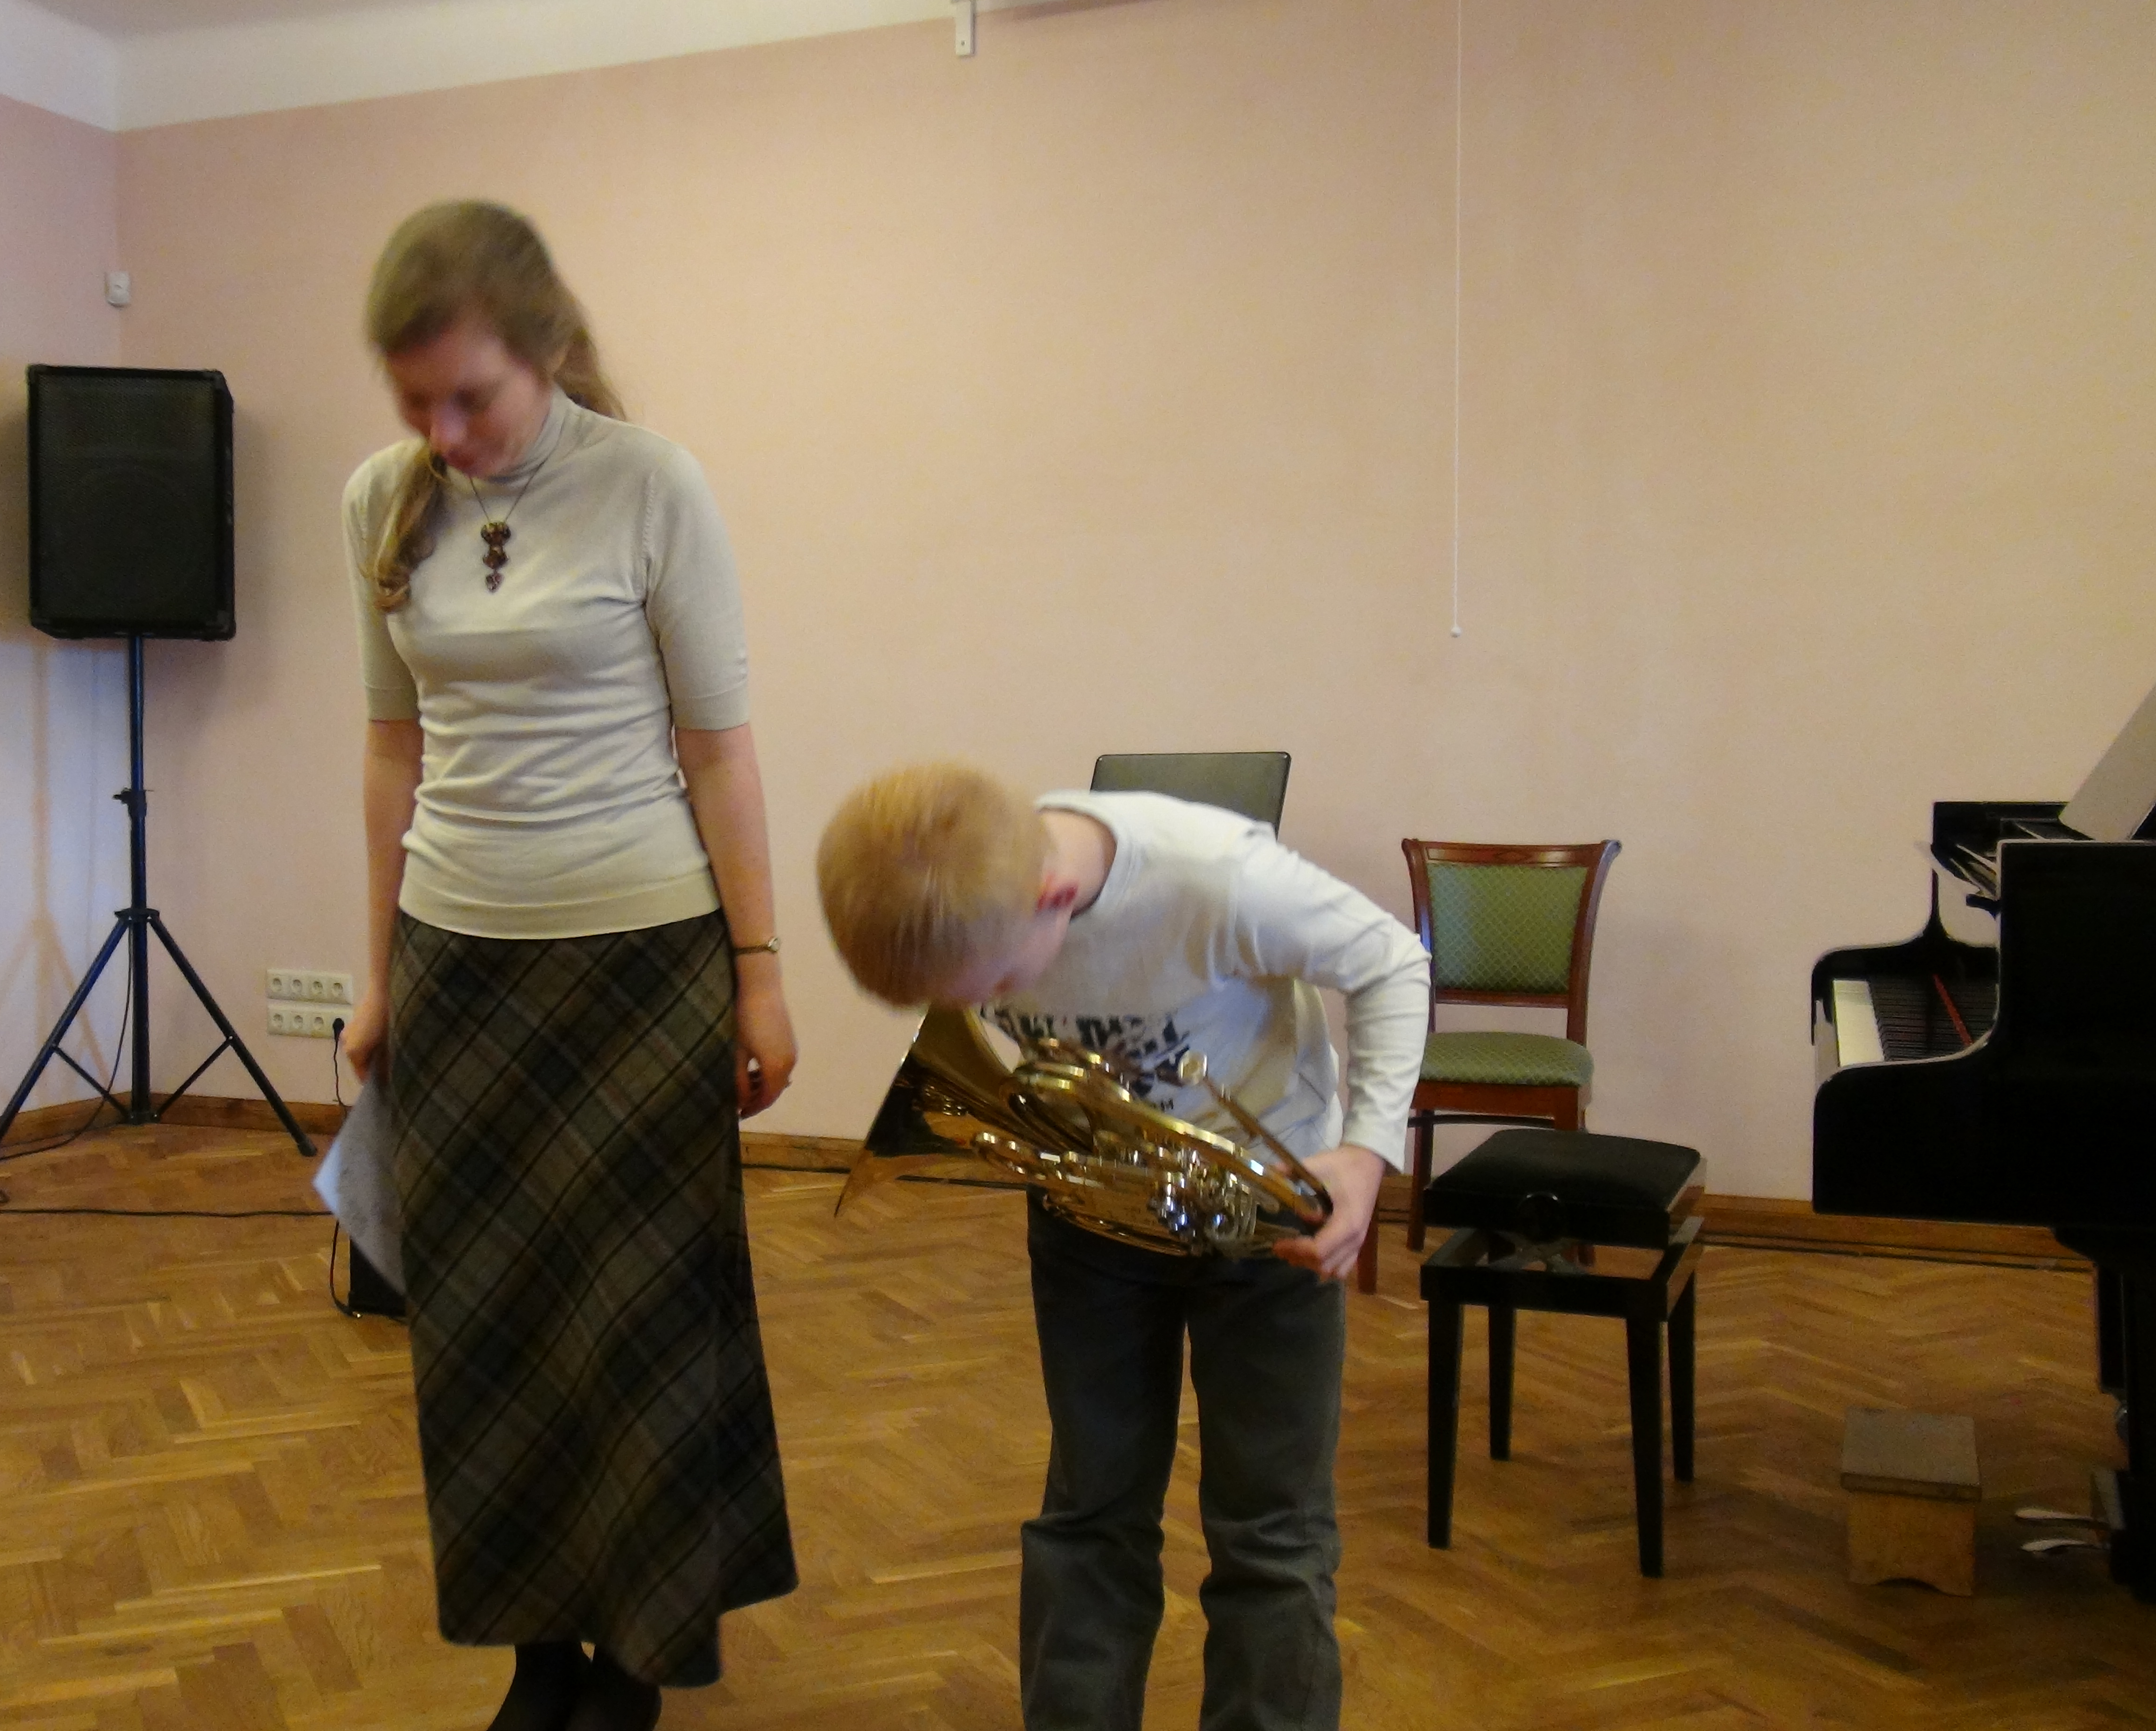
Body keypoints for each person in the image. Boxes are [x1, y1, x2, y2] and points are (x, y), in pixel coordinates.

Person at [337, 199, 799, 1731]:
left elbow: (720, 751)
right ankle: (538, 1655)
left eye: (470, 396)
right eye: (415, 402)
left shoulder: (651, 485)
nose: (443, 433)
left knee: (641, 1328)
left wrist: (760, 974)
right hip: (459, 966)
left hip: (639, 965)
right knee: (488, 1334)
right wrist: (379, 975)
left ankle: (635, 1663)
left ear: (541, 350)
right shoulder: (379, 503)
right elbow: (391, 749)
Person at [816, 762, 1430, 1731]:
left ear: (1053, 894)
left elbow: (1393, 961)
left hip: (1270, 1221)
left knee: (1270, 1533)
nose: (1000, 1005)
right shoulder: (973, 884)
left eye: (1002, 986)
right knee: (1088, 1514)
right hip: (1090, 1215)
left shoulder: (1216, 876)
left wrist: (1365, 1151)